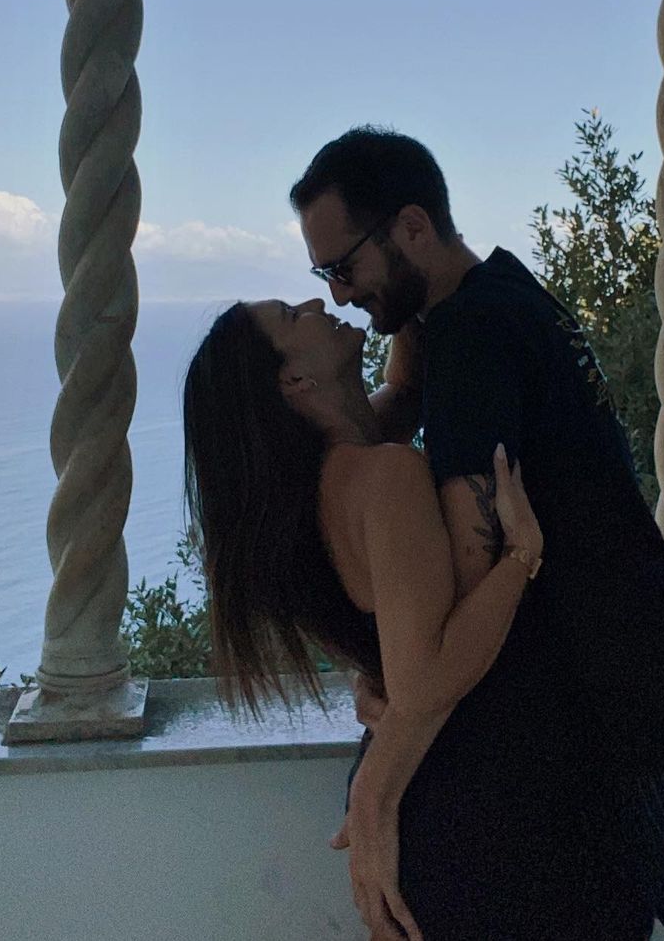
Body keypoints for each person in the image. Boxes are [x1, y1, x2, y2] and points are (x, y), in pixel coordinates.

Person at [287, 125, 664, 940]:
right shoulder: (492, 295)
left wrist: (376, 785)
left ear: (412, 227)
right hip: (641, 706)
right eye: (322, 276)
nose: (339, 293)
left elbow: (462, 587)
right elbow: (395, 409)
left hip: (662, 723)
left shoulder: (473, 341)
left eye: (344, 268)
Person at [182, 299, 550, 940]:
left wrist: (403, 305)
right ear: (295, 381)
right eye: (293, 316)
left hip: (429, 796)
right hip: (468, 808)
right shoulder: (385, 476)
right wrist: (522, 556)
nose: (316, 302)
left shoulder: (312, 489)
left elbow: (400, 392)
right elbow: (423, 681)